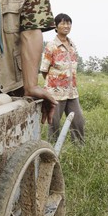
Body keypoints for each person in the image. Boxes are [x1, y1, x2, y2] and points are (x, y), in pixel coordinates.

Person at [40, 13, 85, 143]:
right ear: (56, 26)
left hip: (72, 92)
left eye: (69, 23)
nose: (67, 26)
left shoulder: (72, 45)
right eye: (63, 23)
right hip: (55, 93)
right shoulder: (51, 46)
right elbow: (44, 70)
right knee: (54, 123)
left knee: (78, 121)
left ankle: (79, 150)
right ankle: (51, 151)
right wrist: (54, 84)